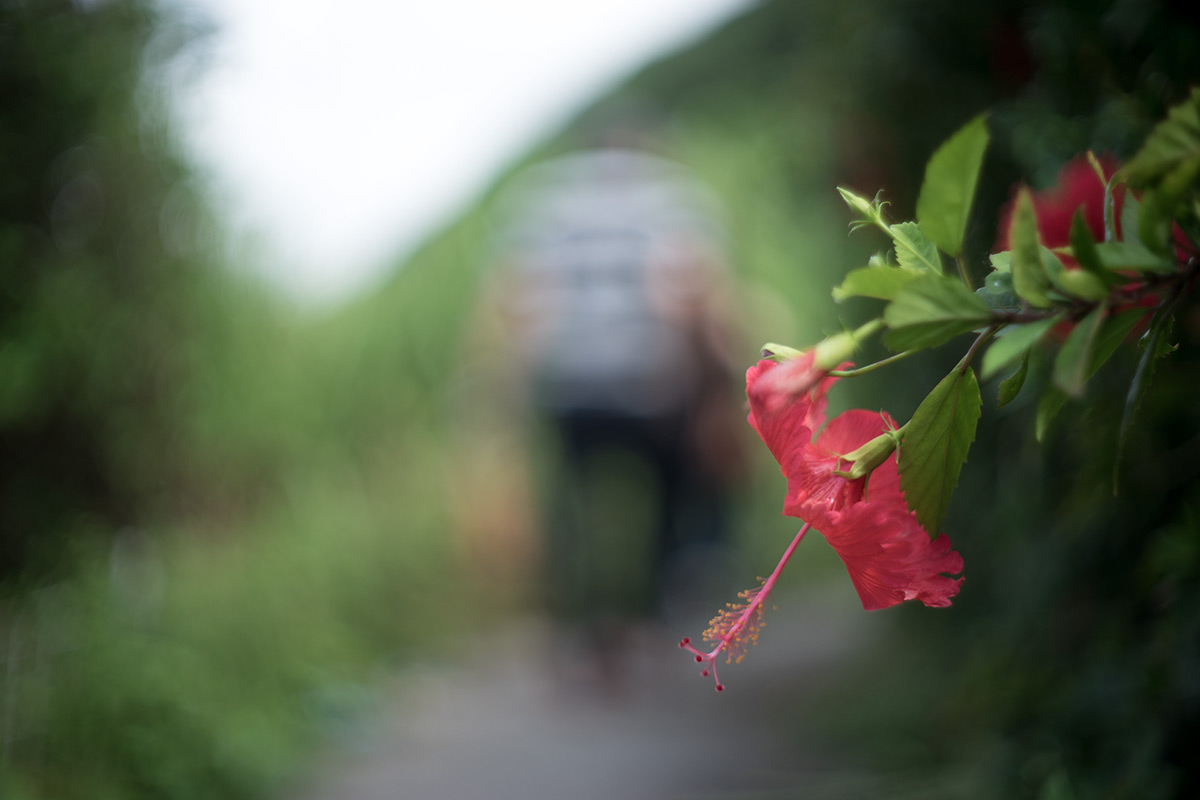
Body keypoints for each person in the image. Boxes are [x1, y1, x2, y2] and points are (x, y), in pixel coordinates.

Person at [485, 146, 746, 676]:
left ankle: (576, 627)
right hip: (652, 388)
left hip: (569, 391)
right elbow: (694, 297)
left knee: (572, 506)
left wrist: (509, 397)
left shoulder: (547, 206)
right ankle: (655, 615)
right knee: (671, 492)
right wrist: (716, 383)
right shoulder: (672, 199)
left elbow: (521, 305)